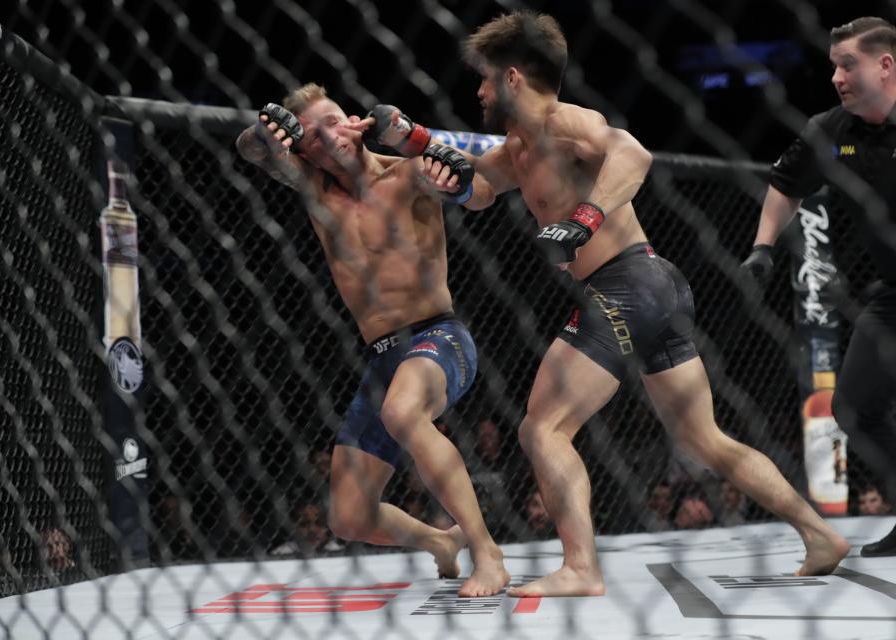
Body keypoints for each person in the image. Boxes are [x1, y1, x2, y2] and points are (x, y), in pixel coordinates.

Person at [357, 11, 849, 597]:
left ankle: (582, 568)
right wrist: (415, 144)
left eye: (486, 79)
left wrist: (587, 219)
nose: (479, 91)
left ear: (513, 77)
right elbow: (479, 190)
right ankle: (819, 534)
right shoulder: (520, 146)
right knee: (702, 439)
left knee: (543, 428)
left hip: (627, 284)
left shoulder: (568, 122)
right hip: (653, 287)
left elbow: (634, 156)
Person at [235, 84, 509, 596]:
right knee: (348, 516)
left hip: (440, 337)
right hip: (381, 359)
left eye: (335, 120)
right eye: (313, 134)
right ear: (303, 149)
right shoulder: (315, 190)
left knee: (404, 413)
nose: (330, 136)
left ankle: (486, 551)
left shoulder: (408, 174)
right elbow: (250, 150)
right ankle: (439, 542)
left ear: (356, 120)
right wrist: (267, 135)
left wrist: (453, 178)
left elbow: (484, 193)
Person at [741, 17, 896, 556]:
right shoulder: (830, 130)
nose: (836, 76)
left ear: (885, 66)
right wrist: (763, 248)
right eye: (833, 66)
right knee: (853, 407)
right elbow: (785, 184)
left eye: (847, 65)